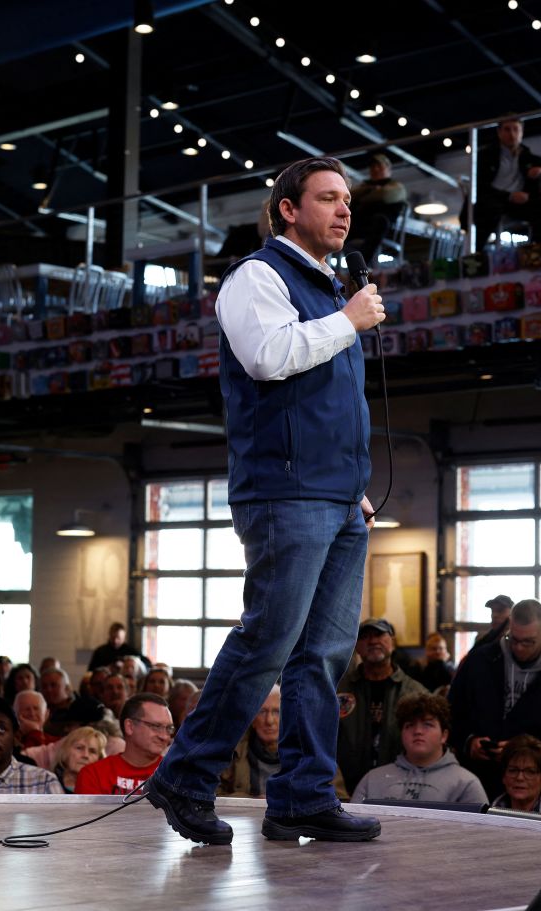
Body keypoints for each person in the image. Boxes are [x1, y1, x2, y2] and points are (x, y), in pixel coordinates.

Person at [144, 156, 386, 847]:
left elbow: (326, 406)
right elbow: (269, 358)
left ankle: (303, 796)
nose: (344, 210)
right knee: (268, 640)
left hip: (338, 496)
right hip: (285, 493)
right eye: (328, 198)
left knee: (323, 655)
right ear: (288, 209)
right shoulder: (258, 277)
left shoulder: (331, 287)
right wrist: (347, 319)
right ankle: (186, 776)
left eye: (347, 200)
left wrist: (352, 484)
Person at [448, 599, 541, 796]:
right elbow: (451, 712)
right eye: (514, 639)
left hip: (530, 784)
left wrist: (524, 751)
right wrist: (469, 742)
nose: (519, 648)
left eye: (528, 642)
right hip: (476, 777)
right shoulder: (480, 661)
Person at [337, 617, 429, 793]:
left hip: (401, 790)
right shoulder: (338, 691)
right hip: (345, 791)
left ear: (392, 641)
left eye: (379, 635)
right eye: (365, 637)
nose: (372, 641)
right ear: (356, 646)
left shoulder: (416, 693)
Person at [351, 694, 487, 805]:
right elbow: (353, 828)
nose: (418, 731)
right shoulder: (372, 779)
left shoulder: (466, 783)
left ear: (444, 735)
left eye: (427, 724)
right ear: (401, 733)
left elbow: (482, 835)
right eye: (409, 725)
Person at [474, 117, 541, 244]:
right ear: (499, 133)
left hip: (519, 203)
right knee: (486, 212)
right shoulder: (485, 156)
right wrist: (509, 196)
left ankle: (539, 249)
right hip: (492, 201)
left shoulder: (527, 157)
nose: (512, 134)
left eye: (516, 129)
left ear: (522, 132)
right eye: (507, 130)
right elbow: (480, 187)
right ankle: (476, 253)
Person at [76, 694, 172, 796]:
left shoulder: (178, 776)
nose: (165, 737)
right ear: (129, 727)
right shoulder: (94, 775)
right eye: (156, 726)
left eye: (169, 728)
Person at [346, 152, 407, 264]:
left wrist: (365, 195)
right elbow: (348, 196)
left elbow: (386, 195)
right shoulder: (365, 185)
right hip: (359, 227)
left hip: (383, 229)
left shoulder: (397, 187)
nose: (375, 169)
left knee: (380, 220)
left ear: (388, 168)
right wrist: (372, 190)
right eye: (373, 166)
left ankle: (364, 265)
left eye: (379, 166)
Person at [488, 734, 541, 817]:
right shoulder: (486, 816)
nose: (520, 778)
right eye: (513, 770)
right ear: (504, 776)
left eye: (530, 772)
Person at [52, 725, 107, 794]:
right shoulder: (46, 782)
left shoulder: (106, 789)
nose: (85, 755)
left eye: (92, 751)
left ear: (100, 759)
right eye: (79, 748)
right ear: (65, 751)